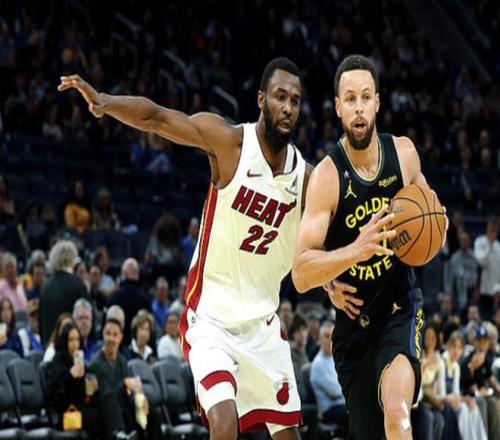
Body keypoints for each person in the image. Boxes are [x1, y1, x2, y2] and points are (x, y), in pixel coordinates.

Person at [59, 56, 310, 439]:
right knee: (224, 422)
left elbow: (336, 221)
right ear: (261, 99)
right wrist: (105, 102)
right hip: (211, 319)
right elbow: (157, 118)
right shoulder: (230, 144)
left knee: (289, 435)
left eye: (295, 100)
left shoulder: (305, 177)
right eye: (280, 96)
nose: (288, 107)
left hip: (262, 323)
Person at [292, 54, 447, 439]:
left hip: (399, 308)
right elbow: (300, 273)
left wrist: (436, 226)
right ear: (338, 107)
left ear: (377, 101)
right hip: (354, 327)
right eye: (350, 99)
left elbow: (434, 223)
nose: (358, 107)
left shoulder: (404, 156)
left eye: (365, 97)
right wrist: (355, 252)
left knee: (397, 412)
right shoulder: (327, 177)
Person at [89, 318, 160, 440]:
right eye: (108, 334)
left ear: (121, 337)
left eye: (115, 334)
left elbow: (128, 393)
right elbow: (106, 397)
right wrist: (124, 384)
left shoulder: (122, 360)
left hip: (123, 406)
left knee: (152, 414)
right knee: (127, 415)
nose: (111, 338)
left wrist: (139, 400)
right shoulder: (95, 364)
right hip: (106, 412)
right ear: (103, 335)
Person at [45, 323, 101, 436]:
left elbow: (87, 393)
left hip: (83, 407)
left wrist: (92, 387)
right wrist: (70, 375)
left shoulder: (81, 363)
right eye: (71, 340)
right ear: (65, 342)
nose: (75, 344)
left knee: (106, 406)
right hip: (68, 411)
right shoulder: (58, 361)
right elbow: (54, 393)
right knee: (98, 417)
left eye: (77, 339)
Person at [39, 240, 90, 345]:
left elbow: (41, 322)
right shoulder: (78, 285)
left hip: (48, 346)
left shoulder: (45, 287)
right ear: (72, 259)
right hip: (71, 346)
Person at [441, 331, 487, 440]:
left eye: (459, 348)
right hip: (442, 399)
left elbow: (456, 393)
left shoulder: (456, 366)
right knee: (463, 409)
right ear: (448, 346)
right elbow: (442, 393)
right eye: (454, 346)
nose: (456, 351)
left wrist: (465, 399)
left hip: (452, 399)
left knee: (473, 406)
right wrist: (462, 400)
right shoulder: (442, 362)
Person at [461, 325, 500, 439]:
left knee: (493, 402)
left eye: (486, 341)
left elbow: (490, 377)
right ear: (476, 342)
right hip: (470, 395)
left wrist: (498, 389)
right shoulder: (468, 360)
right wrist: (472, 367)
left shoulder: (487, 358)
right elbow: (466, 384)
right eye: (481, 341)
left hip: (483, 393)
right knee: (482, 403)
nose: (484, 344)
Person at [310, 320, 348, 431]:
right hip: (329, 410)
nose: (330, 340)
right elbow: (335, 392)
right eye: (326, 336)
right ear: (320, 339)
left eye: (332, 336)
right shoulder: (318, 364)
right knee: (354, 411)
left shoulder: (334, 358)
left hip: (341, 404)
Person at [106, 258, 150, 345]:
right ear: (137, 275)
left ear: (124, 275)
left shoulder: (114, 298)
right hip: (139, 345)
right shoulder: (146, 300)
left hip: (117, 345)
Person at [473, 217, 500, 320]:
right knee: (483, 321)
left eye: (495, 227)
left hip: (496, 292)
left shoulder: (498, 246)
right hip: (483, 291)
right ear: (487, 227)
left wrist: (498, 288)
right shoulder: (479, 242)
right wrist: (490, 245)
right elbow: (481, 262)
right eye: (491, 227)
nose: (493, 230)